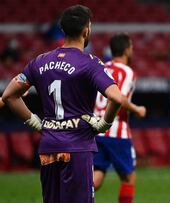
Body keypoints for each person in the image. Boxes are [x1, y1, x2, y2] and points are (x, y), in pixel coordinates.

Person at [2, 5, 144, 203]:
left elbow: (9, 96)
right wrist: (104, 123)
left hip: (48, 146)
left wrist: (35, 122)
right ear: (86, 30)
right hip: (78, 146)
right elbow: (118, 98)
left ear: (63, 29)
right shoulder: (90, 63)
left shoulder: (39, 61)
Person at [93, 33, 146, 203]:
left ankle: (69, 196)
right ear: (126, 50)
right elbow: (120, 98)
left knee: (97, 176)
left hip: (95, 129)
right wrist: (136, 109)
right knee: (128, 178)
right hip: (116, 130)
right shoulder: (127, 72)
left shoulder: (100, 68)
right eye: (131, 47)